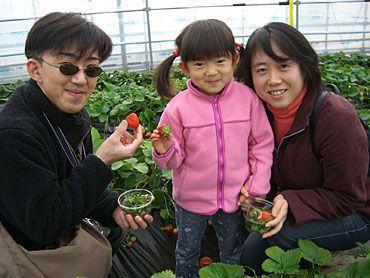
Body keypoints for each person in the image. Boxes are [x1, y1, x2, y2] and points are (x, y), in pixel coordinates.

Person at [0, 12, 153, 267]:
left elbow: (72, 179)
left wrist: (113, 208)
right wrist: (102, 160)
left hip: (57, 221)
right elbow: (45, 225)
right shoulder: (15, 135)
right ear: (35, 70)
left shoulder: (69, 112)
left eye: (91, 69)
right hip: (28, 249)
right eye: (68, 67)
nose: (81, 80)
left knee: (114, 233)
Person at [235, 22, 370, 274]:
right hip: (304, 204)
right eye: (261, 69)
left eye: (284, 66)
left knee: (266, 242)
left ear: (304, 67)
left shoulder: (333, 115)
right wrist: (253, 194)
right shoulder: (256, 115)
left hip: (356, 214)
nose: (273, 80)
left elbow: (350, 198)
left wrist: (290, 199)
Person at [150, 19, 274, 277]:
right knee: (187, 251)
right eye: (199, 64)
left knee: (231, 250)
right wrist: (165, 150)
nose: (211, 72)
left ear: (234, 58)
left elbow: (261, 144)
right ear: (184, 67)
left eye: (219, 61)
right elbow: (172, 161)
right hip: (190, 201)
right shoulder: (178, 108)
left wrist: (256, 185)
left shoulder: (247, 99)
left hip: (233, 198)